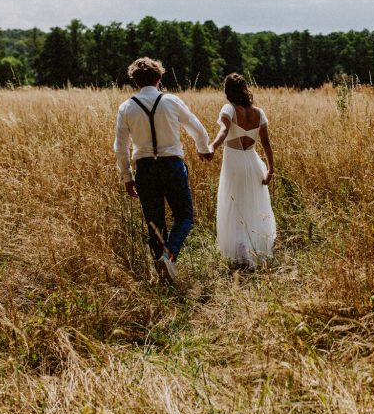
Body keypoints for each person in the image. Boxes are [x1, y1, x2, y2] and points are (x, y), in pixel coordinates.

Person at [114, 57, 212, 283]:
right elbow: (197, 128)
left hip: (145, 169)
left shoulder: (126, 107)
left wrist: (127, 177)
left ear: (135, 81)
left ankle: (163, 273)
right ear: (159, 78)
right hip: (172, 165)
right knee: (184, 215)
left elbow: (120, 147)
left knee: (155, 223)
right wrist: (203, 148)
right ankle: (168, 258)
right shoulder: (171, 101)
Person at [208, 73, 276, 269]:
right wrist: (270, 169)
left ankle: (240, 252)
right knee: (252, 207)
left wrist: (212, 146)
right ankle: (253, 248)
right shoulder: (259, 113)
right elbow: (266, 143)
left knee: (234, 207)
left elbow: (223, 131)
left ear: (227, 91)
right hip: (254, 163)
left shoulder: (229, 108)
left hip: (234, 164)